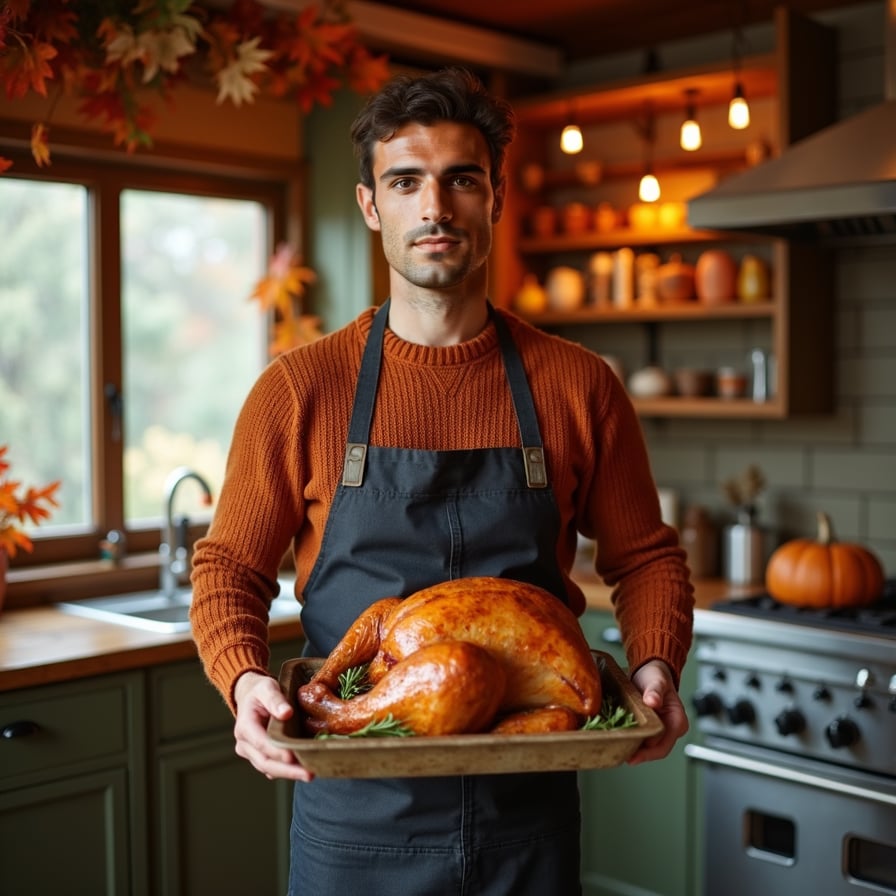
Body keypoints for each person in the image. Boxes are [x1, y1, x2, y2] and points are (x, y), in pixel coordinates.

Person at [190, 66, 694, 896]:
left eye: (461, 179)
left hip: (529, 819)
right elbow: (228, 569)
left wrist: (656, 667)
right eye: (406, 181)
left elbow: (646, 559)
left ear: (494, 198)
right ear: (369, 205)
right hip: (353, 823)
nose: (435, 208)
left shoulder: (579, 385)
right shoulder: (300, 389)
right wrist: (245, 680)